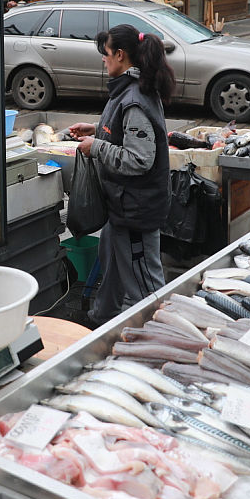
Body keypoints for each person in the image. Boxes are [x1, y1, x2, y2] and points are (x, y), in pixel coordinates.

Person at [66, 25, 173, 327]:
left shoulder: (135, 98)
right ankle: (101, 320)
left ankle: (158, 334)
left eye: (107, 53)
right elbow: (123, 134)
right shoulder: (126, 91)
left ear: (121, 55)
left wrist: (97, 146)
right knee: (112, 262)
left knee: (145, 287)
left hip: (137, 210)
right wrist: (96, 130)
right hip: (122, 207)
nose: (104, 59)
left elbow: (139, 159)